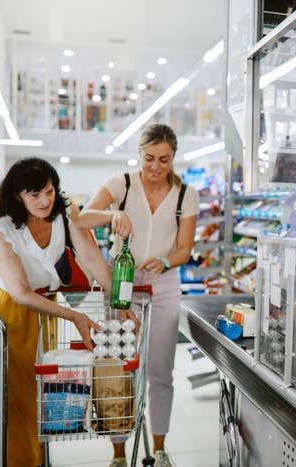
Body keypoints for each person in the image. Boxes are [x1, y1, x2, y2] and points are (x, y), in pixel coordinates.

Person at [0, 158, 114, 466]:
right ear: (18, 196)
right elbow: (19, 291)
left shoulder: (65, 211)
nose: (45, 201)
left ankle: (33, 459)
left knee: (36, 388)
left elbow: (90, 255)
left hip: (40, 305)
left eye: (49, 191)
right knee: (2, 390)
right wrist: (74, 315)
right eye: (35, 195)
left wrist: (120, 304)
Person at [77, 123, 199, 467]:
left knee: (161, 370)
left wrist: (164, 260)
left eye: (164, 159)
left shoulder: (186, 194)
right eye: (149, 158)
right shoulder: (122, 183)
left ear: (174, 157)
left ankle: (159, 449)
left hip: (163, 286)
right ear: (140, 154)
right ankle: (118, 454)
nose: (156, 167)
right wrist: (112, 213)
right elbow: (82, 218)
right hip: (121, 283)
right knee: (118, 367)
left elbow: (184, 249)